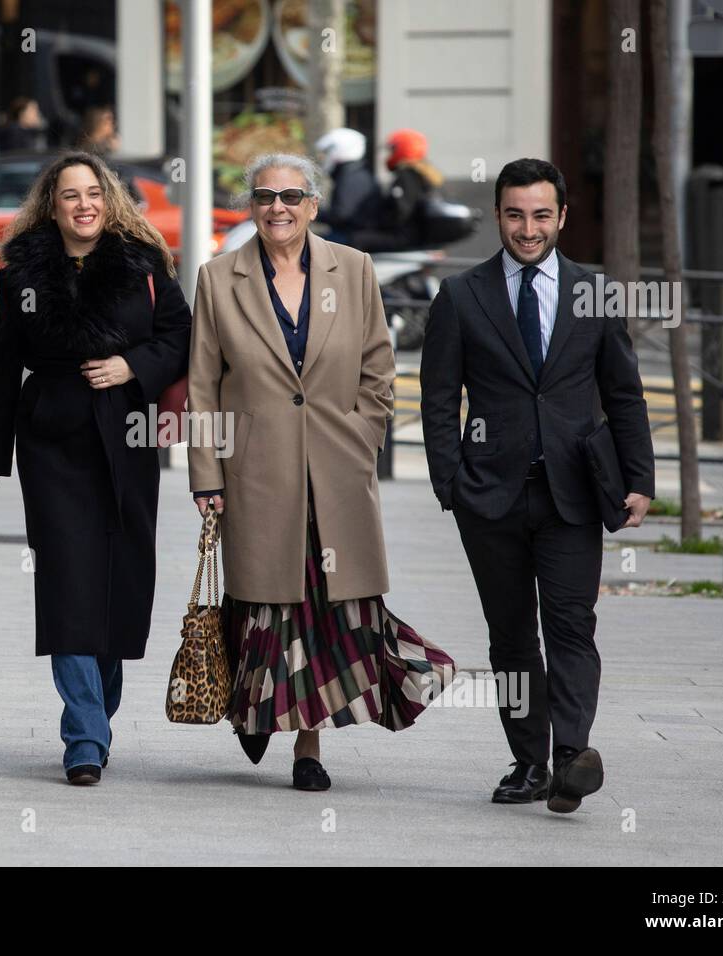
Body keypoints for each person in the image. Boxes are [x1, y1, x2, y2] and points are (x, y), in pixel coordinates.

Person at [188, 153, 455, 792]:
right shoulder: (219, 278)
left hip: (337, 472)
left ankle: (307, 746)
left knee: (327, 607)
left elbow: (378, 368)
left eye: (291, 196)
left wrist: (362, 438)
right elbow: (203, 386)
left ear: (313, 205)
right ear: (251, 206)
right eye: (264, 196)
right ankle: (256, 706)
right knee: (265, 603)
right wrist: (207, 476)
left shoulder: (353, 269)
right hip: (255, 472)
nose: (277, 208)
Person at [419, 158, 655, 813]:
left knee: (571, 623)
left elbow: (624, 392)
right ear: (498, 215)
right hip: (488, 496)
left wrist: (639, 478)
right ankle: (529, 763)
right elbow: (438, 397)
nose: (529, 229)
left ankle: (572, 756)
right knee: (512, 634)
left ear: (562, 217)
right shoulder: (461, 296)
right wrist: (449, 482)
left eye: (542, 215)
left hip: (574, 491)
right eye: (516, 215)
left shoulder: (594, 292)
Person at [0, 151, 191, 785]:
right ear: (52, 206)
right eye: (70, 195)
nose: (83, 205)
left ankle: (98, 713)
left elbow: (180, 337)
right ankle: (84, 734)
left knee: (119, 579)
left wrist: (131, 366)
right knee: (67, 580)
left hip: (128, 436)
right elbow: (3, 366)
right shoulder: (23, 274)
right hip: (53, 439)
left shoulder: (144, 264)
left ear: (108, 201)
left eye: (93, 193)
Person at [313, 127, 384, 249]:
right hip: (353, 234)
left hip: (352, 237)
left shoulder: (351, 177)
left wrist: (311, 211)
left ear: (338, 151)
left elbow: (342, 215)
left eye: (327, 153)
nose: (323, 158)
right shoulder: (353, 172)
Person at [384, 128, 445, 247]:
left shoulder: (406, 175)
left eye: (393, 150)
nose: (390, 154)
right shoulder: (425, 173)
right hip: (418, 236)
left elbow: (401, 212)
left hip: (406, 236)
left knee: (358, 239)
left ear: (402, 149)